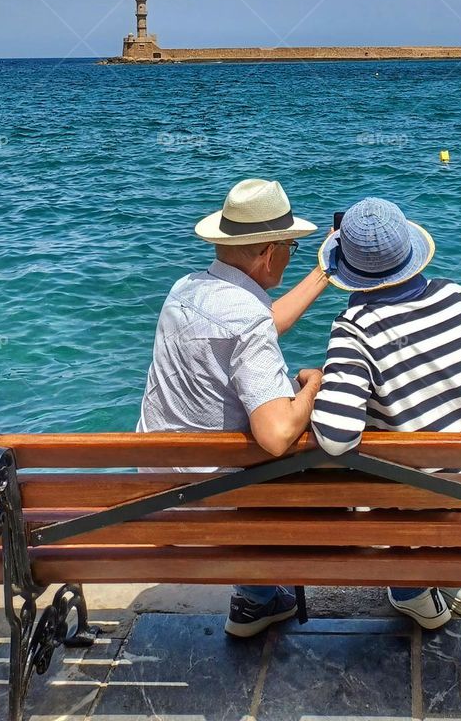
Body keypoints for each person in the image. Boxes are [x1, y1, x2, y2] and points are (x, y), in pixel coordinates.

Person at [310, 197, 461, 632]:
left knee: (375, 479)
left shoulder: (354, 328)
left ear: (346, 268)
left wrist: (319, 383)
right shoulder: (460, 297)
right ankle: (459, 581)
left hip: (435, 507)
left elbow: (335, 437)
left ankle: (413, 592)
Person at [138, 177, 330, 637]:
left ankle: (255, 599)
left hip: (158, 483)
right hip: (214, 503)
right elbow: (277, 433)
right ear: (268, 254)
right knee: (318, 449)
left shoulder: (185, 290)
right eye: (291, 249)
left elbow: (254, 326)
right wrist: (314, 384)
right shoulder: (246, 320)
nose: (290, 256)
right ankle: (259, 591)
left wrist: (323, 273)